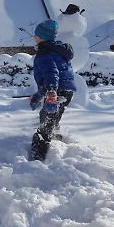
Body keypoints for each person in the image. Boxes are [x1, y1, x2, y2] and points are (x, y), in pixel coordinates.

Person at [29, 19, 76, 161]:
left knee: (46, 120)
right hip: (65, 91)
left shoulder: (45, 53)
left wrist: (51, 93)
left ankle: (39, 155)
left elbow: (51, 74)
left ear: (42, 38)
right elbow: (50, 78)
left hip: (57, 90)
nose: (34, 37)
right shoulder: (57, 50)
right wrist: (38, 96)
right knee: (52, 116)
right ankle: (54, 135)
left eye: (36, 35)